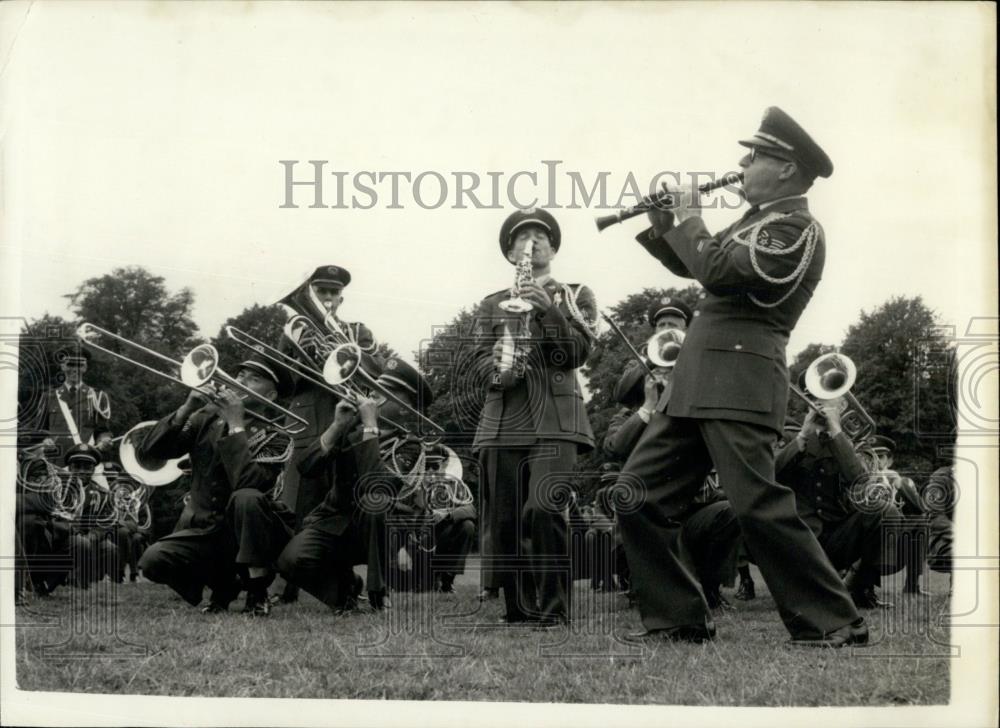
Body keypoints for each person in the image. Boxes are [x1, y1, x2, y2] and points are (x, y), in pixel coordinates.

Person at [615, 106, 866, 646]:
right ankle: (678, 618)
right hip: (696, 381)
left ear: (785, 168)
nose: (741, 163)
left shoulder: (796, 227)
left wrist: (687, 218)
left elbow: (723, 271)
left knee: (757, 505)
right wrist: (667, 224)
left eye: (754, 155)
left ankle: (834, 622)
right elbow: (698, 261)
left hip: (739, 382)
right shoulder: (755, 223)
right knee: (636, 494)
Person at [472, 208, 597, 628]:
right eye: (522, 237)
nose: (531, 241)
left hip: (555, 418)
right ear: (511, 253)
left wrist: (550, 312)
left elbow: (578, 354)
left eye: (540, 235)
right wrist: (490, 362)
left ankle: (553, 609)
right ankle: (520, 609)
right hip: (504, 417)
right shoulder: (491, 303)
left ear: (553, 248)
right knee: (505, 517)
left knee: (543, 509)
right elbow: (472, 365)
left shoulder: (576, 295)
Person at [603, 300, 740, 611]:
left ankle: (710, 587)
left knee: (731, 512)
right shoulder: (632, 400)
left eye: (674, 325)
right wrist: (650, 401)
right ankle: (645, 587)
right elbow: (614, 445)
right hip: (648, 508)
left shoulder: (697, 373)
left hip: (690, 508)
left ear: (686, 330)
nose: (668, 329)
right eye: (662, 325)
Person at [136, 356, 295, 616]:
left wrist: (236, 424)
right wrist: (187, 408)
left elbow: (248, 483)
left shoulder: (277, 435)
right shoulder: (206, 419)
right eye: (240, 375)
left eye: (253, 379)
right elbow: (151, 453)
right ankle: (224, 585)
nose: (240, 382)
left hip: (248, 532)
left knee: (247, 497)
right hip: (203, 528)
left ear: (272, 395)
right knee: (153, 562)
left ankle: (257, 591)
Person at [277, 357, 435, 612]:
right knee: (290, 562)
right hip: (336, 521)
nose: (375, 395)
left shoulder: (410, 446)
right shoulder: (349, 431)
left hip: (382, 530)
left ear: (407, 408)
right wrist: (336, 426)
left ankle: (378, 592)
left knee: (376, 502)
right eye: (375, 388)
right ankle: (346, 590)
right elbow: (306, 467)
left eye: (389, 392)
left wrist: (371, 428)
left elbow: (377, 487)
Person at [272, 265, 380, 603]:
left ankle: (349, 581)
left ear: (342, 297)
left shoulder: (358, 332)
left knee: (339, 508)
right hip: (307, 424)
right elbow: (282, 384)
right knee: (298, 503)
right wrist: (299, 353)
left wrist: (342, 350)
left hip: (347, 427)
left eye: (334, 293)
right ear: (312, 293)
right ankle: (286, 586)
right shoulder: (293, 332)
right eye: (321, 291)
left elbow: (373, 376)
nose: (328, 298)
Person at [776, 403, 902, 609]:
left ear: (843, 406)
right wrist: (804, 434)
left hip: (838, 535)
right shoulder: (792, 437)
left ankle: (860, 587)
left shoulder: (846, 440)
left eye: (836, 402)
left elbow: (859, 479)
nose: (828, 406)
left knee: (886, 511)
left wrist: (836, 431)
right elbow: (771, 473)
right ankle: (813, 586)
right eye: (822, 399)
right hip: (802, 537)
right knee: (812, 597)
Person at [36, 347, 112, 462]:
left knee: (100, 481)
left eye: (79, 365)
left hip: (86, 462)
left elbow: (102, 430)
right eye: (70, 364)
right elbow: (40, 431)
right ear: (62, 366)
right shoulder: (49, 397)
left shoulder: (97, 397)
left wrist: (104, 440)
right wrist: (45, 441)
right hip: (55, 463)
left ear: (85, 367)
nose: (74, 369)